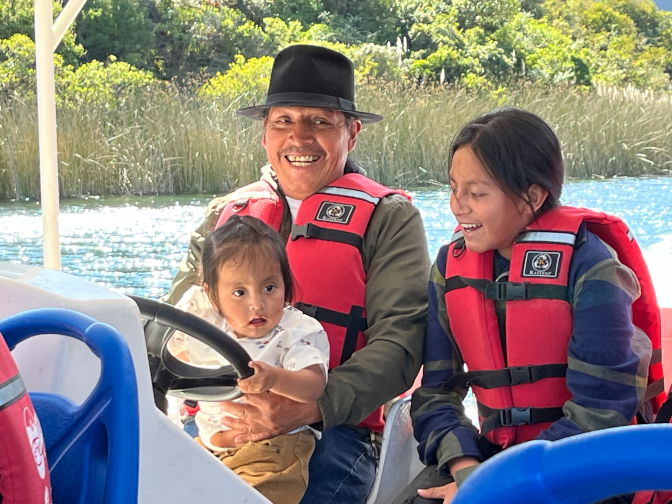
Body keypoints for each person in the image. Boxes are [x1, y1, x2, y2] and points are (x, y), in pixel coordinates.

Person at [165, 44, 430, 504]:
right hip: (214, 421)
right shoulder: (223, 217)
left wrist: (312, 405)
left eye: (320, 122)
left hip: (336, 431)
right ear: (264, 134)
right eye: (283, 121)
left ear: (353, 133)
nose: (299, 137)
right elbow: (175, 326)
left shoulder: (391, 218)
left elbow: (401, 343)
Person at [393, 107, 665, 504]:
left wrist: (509, 485)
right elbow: (436, 393)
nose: (457, 206)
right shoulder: (448, 268)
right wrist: (466, 467)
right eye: (453, 188)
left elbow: (601, 410)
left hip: (583, 467)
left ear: (532, 197)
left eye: (477, 193)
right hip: (490, 462)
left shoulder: (594, 270)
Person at [168, 215, 330, 504]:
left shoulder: (294, 331)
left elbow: (314, 384)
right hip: (210, 447)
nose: (257, 303)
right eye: (239, 292)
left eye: (269, 288)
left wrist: (275, 378)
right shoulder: (210, 326)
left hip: (272, 450)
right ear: (213, 297)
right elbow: (170, 353)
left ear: (285, 284)